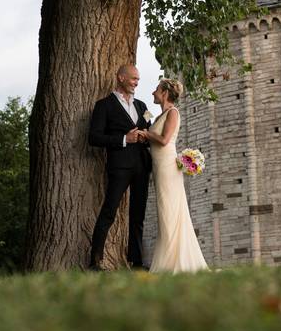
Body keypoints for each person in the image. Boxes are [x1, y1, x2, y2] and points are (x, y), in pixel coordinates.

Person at [139, 78, 208, 274]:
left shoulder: (173, 113)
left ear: (164, 93)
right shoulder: (160, 115)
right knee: (164, 212)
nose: (153, 93)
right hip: (159, 167)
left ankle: (169, 263)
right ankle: (168, 258)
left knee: (169, 211)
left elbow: (164, 140)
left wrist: (146, 134)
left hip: (168, 168)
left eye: (156, 90)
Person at [87, 65, 152, 271]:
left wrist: (145, 136)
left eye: (138, 80)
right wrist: (125, 138)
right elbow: (94, 138)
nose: (136, 83)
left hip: (142, 166)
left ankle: (137, 261)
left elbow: (149, 132)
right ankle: (95, 261)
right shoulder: (104, 106)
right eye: (133, 79)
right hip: (119, 167)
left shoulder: (142, 106)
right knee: (109, 211)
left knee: (138, 214)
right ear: (121, 78)